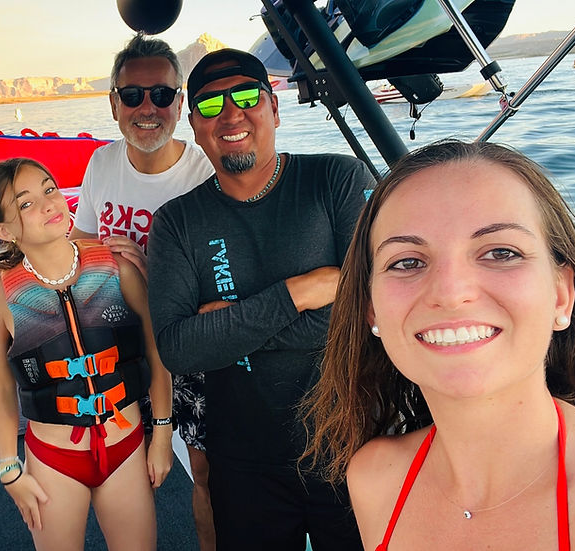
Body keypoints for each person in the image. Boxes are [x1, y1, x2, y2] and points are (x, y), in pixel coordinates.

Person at [303, 140, 575, 550]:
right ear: (372, 310)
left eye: (500, 252)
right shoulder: (374, 479)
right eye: (407, 261)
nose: (450, 291)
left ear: (561, 295)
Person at [147, 48, 374, 550]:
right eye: (211, 105)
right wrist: (301, 292)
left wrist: (226, 329)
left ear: (274, 108)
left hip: (351, 445)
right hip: (242, 459)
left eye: (247, 96)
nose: (231, 114)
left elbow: (367, 310)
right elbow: (179, 349)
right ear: (194, 123)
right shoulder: (176, 222)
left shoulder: (337, 180)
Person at [0, 157, 173, 550]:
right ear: (3, 229)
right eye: (26, 203)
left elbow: (157, 352)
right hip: (52, 460)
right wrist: (8, 468)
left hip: (127, 447)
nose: (49, 204)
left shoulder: (117, 267)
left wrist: (163, 435)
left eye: (50, 189)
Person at [69, 33, 217, 550]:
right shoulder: (101, 165)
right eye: (132, 96)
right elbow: (80, 245)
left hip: (184, 341)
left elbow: (222, 284)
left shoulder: (204, 175)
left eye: (161, 95)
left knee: (207, 475)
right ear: (113, 103)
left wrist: (151, 272)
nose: (146, 108)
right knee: (119, 473)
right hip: (116, 342)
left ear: (180, 102)